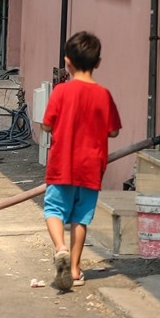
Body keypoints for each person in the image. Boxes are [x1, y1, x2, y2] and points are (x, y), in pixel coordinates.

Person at [41, 31, 122, 291]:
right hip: (91, 168)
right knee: (81, 218)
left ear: (67, 61)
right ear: (98, 62)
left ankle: (60, 248)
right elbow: (113, 131)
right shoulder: (104, 95)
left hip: (62, 165)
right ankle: (75, 269)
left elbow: (46, 125)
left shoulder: (61, 92)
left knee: (54, 210)